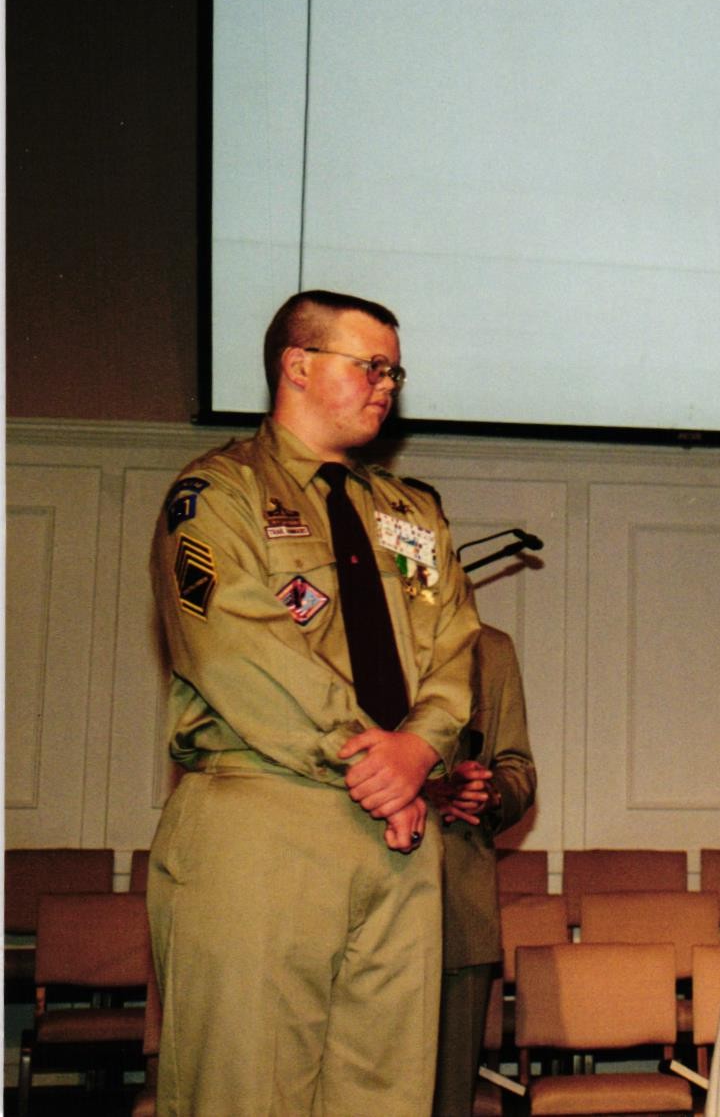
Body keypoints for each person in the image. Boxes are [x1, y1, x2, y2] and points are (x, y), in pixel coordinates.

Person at [146, 290, 480, 1115]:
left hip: (400, 835)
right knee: (244, 1088)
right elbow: (236, 645)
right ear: (297, 365)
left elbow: (455, 645)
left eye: (394, 373)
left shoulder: (412, 514)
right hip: (266, 812)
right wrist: (374, 761)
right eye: (371, 366)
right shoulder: (216, 494)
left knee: (387, 1092)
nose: (386, 386)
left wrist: (418, 751)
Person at [429, 624, 537, 1117]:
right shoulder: (338, 623)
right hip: (345, 895)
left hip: (458, 900)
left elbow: (516, 766)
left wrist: (490, 793)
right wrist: (424, 790)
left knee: (450, 1099)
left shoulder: (489, 648)